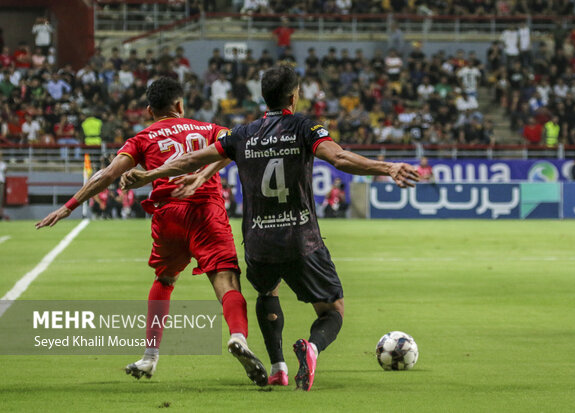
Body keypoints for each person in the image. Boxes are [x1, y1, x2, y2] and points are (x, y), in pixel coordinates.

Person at [120, 65, 420, 391]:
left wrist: (149, 176)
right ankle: (312, 348)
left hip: (259, 242)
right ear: (294, 95)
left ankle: (278, 367)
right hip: (300, 238)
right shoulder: (305, 127)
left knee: (267, 290)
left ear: (264, 96)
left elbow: (192, 159)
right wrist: (387, 166)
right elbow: (340, 158)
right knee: (332, 310)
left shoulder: (242, 134)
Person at [35, 77, 268, 387]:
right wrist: (201, 177)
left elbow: (107, 175)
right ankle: (238, 337)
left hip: (168, 216)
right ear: (180, 105)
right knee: (225, 279)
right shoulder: (208, 128)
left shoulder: (142, 137)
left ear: (149, 110)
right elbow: (233, 148)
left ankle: (149, 357)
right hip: (206, 212)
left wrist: (68, 206)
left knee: (165, 280)